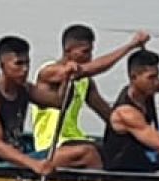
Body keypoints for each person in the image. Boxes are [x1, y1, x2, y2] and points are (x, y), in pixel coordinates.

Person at [0, 36, 102, 174]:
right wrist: (34, 164)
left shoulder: (25, 88)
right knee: (87, 154)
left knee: (92, 147)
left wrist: (66, 77)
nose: (25, 69)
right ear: (2, 65)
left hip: (20, 155)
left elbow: (59, 103)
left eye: (27, 63)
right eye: (18, 64)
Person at [31, 26, 150, 154]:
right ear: (68, 50)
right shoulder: (49, 72)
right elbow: (93, 68)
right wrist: (131, 46)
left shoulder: (86, 82)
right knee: (94, 152)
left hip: (74, 139)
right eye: (85, 52)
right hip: (51, 146)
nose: (90, 57)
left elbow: (108, 115)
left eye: (91, 51)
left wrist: (136, 127)